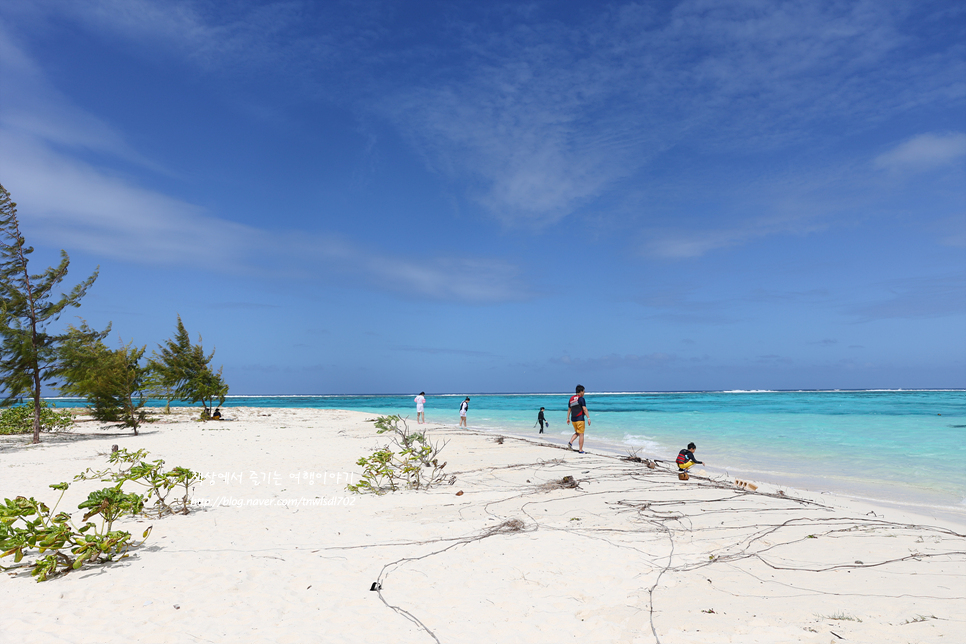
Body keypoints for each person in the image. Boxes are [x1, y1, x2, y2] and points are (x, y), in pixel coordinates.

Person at [567, 385, 589, 453]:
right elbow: (584, 409)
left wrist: (567, 418)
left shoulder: (571, 399)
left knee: (578, 432)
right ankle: (580, 449)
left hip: (573, 419)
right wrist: (588, 418)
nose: (584, 393)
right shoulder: (581, 399)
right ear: (581, 391)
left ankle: (570, 442)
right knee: (581, 434)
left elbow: (569, 409)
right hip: (580, 419)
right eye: (584, 391)